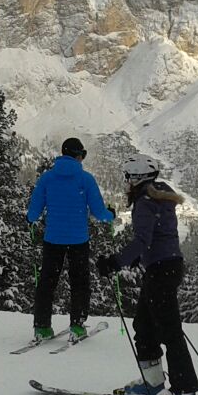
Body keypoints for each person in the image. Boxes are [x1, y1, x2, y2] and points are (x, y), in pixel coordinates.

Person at [95, 154, 198, 395]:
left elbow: (143, 240)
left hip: (161, 270)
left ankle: (184, 393)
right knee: (144, 326)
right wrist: (137, 258)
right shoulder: (161, 197)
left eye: (128, 177)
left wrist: (115, 262)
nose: (126, 182)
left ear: (137, 177)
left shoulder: (145, 202)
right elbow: (160, 234)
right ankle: (153, 383)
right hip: (166, 266)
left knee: (170, 332)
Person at [25, 137, 115, 341]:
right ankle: (77, 325)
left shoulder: (47, 178)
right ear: (78, 155)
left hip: (53, 239)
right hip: (78, 240)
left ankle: (42, 327)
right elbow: (99, 212)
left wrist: (30, 219)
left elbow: (34, 211)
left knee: (47, 282)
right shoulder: (86, 179)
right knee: (80, 282)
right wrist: (111, 215)